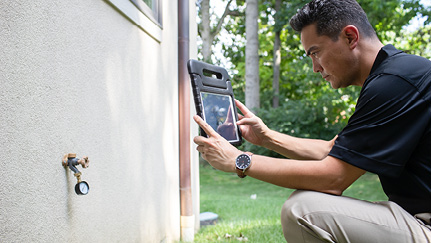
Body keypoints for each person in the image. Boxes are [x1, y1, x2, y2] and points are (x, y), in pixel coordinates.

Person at [193, 0, 431, 242]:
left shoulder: (394, 82)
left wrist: (239, 161)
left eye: (315, 52)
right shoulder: (398, 74)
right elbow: (333, 150)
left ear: (350, 37)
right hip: (414, 217)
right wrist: (267, 138)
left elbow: (334, 177)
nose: (315, 68)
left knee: (303, 210)